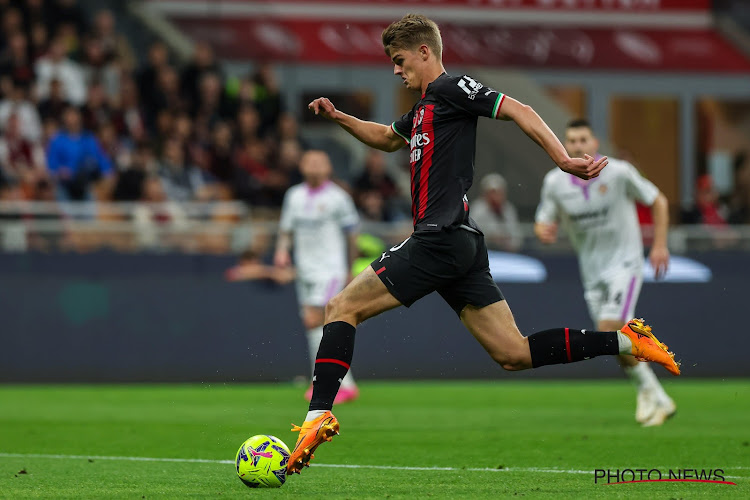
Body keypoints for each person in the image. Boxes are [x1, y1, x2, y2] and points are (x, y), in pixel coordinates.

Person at [287, 14, 680, 475]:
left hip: (439, 238)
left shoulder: (453, 90)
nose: (396, 70)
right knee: (514, 353)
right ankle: (626, 341)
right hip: (461, 245)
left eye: (399, 60)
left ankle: (317, 415)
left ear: (425, 52)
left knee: (340, 308)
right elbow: (387, 139)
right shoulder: (420, 110)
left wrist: (563, 160)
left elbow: (521, 110)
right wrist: (339, 117)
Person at [534, 119, 675, 427]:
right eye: (571, 141)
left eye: (583, 139)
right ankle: (655, 394)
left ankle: (650, 392)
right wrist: (543, 230)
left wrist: (660, 245)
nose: (578, 146)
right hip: (592, 273)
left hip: (625, 264)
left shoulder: (619, 172)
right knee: (612, 338)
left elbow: (658, 200)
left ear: (595, 143)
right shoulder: (554, 183)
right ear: (565, 146)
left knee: (610, 327)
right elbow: (543, 219)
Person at [274, 150, 361, 404]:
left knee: (319, 319)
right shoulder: (294, 196)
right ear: (301, 165)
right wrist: (281, 251)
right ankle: (343, 384)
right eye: (309, 160)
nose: (314, 165)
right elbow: (286, 230)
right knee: (315, 325)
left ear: (328, 167)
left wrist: (350, 267)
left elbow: (352, 234)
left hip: (329, 268)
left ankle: (326, 382)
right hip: (305, 270)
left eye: (319, 161)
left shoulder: (338, 197)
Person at [471, 173, 523, 252]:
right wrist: (491, 238)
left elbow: (517, 239)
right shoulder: (477, 209)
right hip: (483, 254)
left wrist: (505, 241)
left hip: (506, 254)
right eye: (492, 192)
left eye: (499, 192)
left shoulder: (508, 209)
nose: (495, 196)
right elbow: (472, 238)